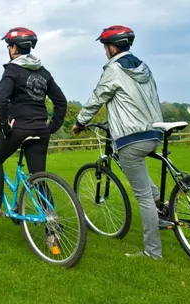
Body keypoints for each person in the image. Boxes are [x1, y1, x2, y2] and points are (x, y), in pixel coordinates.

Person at [71, 25, 171, 260]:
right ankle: (163, 210)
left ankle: (152, 251)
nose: (105, 51)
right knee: (143, 179)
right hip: (154, 132)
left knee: (142, 196)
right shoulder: (143, 66)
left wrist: (79, 123)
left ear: (112, 47)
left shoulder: (114, 70)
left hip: (131, 137)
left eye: (105, 47)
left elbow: (98, 97)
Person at [0, 27, 68, 222]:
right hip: (40, 130)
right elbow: (61, 101)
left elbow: (2, 99)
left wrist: (4, 126)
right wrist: (51, 127)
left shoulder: (12, 69)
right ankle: (52, 228)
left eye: (9, 46)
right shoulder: (43, 72)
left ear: (14, 48)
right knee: (38, 178)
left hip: (19, 128)